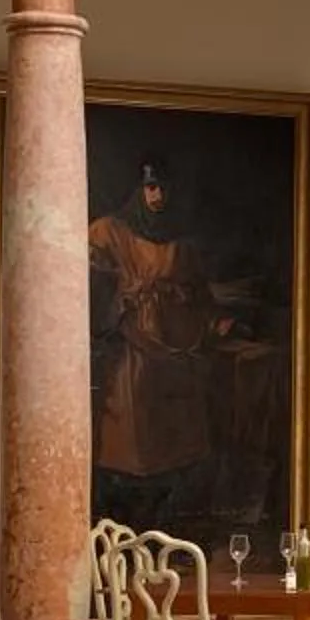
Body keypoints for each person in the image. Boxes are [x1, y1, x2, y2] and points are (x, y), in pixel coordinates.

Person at [89, 159, 239, 529]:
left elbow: (200, 296)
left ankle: (163, 528)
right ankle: (123, 532)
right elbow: (84, 278)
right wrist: (115, 301)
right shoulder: (109, 232)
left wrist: (217, 321)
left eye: (164, 188)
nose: (159, 195)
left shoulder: (182, 247)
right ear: (139, 189)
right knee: (129, 437)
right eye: (152, 187)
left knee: (177, 437)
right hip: (131, 350)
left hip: (174, 349)